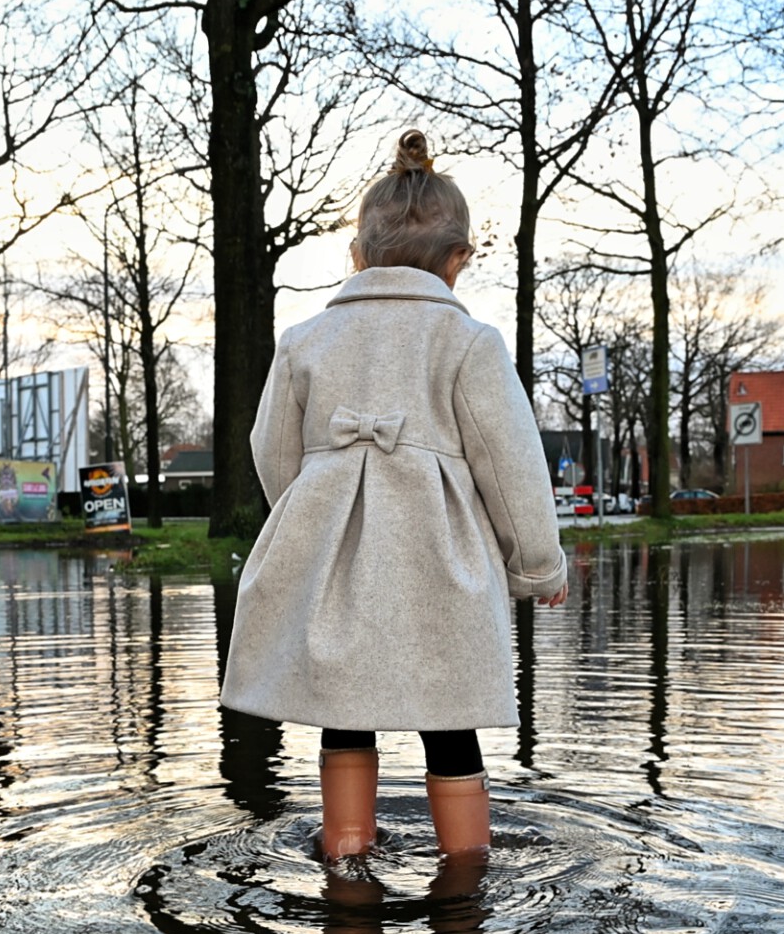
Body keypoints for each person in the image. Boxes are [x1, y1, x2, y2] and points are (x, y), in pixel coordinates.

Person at [220, 128, 567, 860]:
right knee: (450, 725)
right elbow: (513, 465)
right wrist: (538, 565)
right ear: (459, 258)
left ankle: (346, 858)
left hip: (335, 574)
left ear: (357, 255)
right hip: (440, 571)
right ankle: (465, 881)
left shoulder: (303, 342)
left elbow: (272, 455)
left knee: (344, 717)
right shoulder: (468, 343)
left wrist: (321, 517)